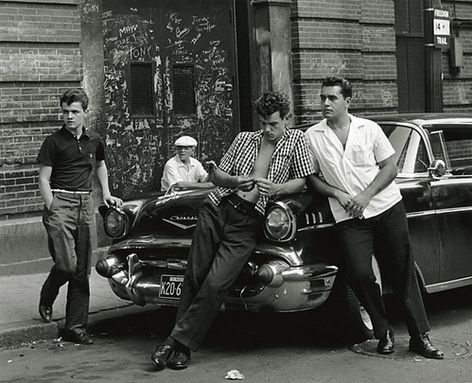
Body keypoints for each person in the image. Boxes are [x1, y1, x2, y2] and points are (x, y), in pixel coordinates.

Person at [150, 91, 314, 371]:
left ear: (287, 119)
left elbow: (302, 180)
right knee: (195, 274)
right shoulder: (244, 139)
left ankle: (173, 342)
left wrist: (277, 189)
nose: (267, 129)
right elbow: (217, 176)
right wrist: (236, 180)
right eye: (263, 122)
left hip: (248, 222)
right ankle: (182, 349)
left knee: (216, 282)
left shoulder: (297, 140)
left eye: (273, 124)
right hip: (217, 208)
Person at [305, 76, 443, 359]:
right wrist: (336, 193)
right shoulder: (313, 136)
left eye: (332, 98)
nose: (325, 103)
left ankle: (420, 336)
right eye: (322, 98)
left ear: (348, 101)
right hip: (348, 215)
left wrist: (366, 195)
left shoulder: (369, 129)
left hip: (385, 206)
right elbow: (312, 179)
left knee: (401, 271)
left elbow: (390, 168)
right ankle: (384, 331)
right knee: (358, 272)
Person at [37, 88, 123, 344]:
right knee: (66, 264)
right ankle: (47, 294)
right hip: (60, 201)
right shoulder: (53, 142)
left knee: (82, 269)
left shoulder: (94, 140)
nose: (69, 117)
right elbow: (43, 179)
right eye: (65, 112)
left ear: (86, 113)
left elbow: (100, 165)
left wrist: (106, 193)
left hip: (85, 203)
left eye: (74, 112)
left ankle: (75, 327)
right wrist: (53, 207)